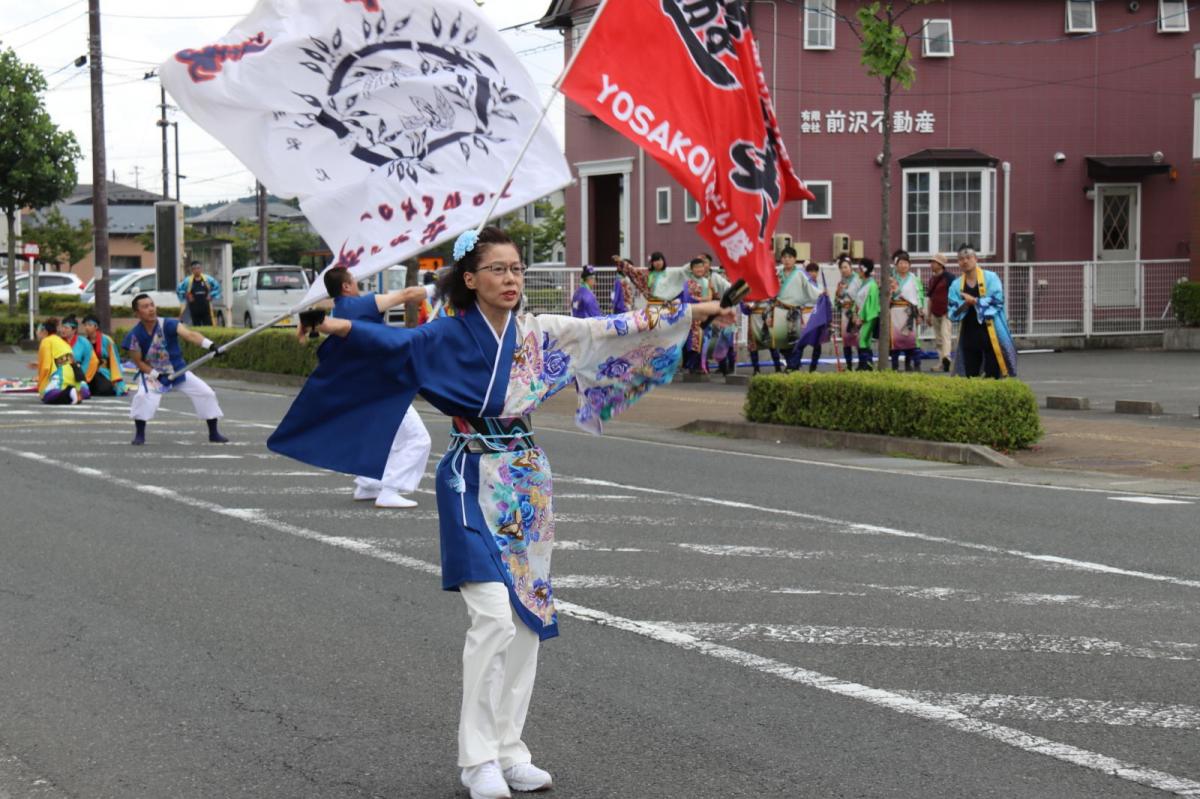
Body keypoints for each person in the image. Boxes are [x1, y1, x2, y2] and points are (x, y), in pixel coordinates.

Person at [269, 227, 733, 799]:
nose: (511, 279)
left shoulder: (540, 332)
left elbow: (613, 328)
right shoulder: (443, 335)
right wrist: (330, 322)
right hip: (471, 473)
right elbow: (391, 347)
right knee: (490, 614)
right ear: (470, 279)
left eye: (516, 269)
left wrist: (706, 308)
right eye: (498, 270)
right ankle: (477, 761)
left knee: (526, 620)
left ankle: (511, 749)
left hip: (527, 478)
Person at [323, 265, 435, 509]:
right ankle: (390, 489)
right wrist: (436, 288)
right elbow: (405, 295)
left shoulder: (340, 309)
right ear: (345, 286)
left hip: (361, 387)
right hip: (380, 388)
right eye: (353, 280)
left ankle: (368, 483)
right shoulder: (359, 305)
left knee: (386, 437)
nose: (357, 283)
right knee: (418, 439)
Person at [122, 293, 229, 446]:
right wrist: (156, 375)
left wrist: (211, 346)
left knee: (206, 393)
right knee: (142, 397)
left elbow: (190, 335)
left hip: (178, 371)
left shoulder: (169, 323)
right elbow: (139, 362)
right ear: (137, 314)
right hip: (152, 375)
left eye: (152, 305)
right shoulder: (134, 335)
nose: (151, 309)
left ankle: (213, 432)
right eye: (145, 307)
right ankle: (140, 434)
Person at [948, 245, 1017, 379]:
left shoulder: (991, 277)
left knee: (993, 373)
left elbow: (997, 300)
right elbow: (952, 310)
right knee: (970, 374)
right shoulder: (956, 285)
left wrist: (974, 301)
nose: (965, 261)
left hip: (991, 332)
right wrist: (965, 304)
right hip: (969, 332)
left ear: (976, 259)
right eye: (961, 259)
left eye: (968, 257)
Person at [769, 246, 822, 367]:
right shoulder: (776, 273)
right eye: (784, 257)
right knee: (782, 344)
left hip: (794, 313)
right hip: (779, 312)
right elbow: (770, 293)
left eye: (790, 257)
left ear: (795, 259)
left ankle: (792, 367)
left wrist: (821, 294)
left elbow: (811, 288)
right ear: (781, 259)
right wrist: (770, 313)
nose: (787, 260)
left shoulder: (800, 274)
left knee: (794, 343)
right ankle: (792, 365)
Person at [785, 261, 831, 372]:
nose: (813, 273)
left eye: (815, 271)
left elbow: (826, 304)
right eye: (810, 271)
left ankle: (813, 368)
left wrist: (827, 296)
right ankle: (794, 366)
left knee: (817, 345)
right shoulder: (803, 287)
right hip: (805, 315)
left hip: (817, 317)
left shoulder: (821, 287)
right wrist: (801, 319)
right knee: (801, 343)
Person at [32, 318, 86, 405]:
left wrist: (41, 386)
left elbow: (46, 366)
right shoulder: (60, 340)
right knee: (52, 394)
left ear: (44, 331)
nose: (36, 333)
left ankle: (70, 392)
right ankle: (73, 393)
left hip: (62, 373)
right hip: (72, 373)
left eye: (38, 330)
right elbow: (67, 359)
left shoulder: (46, 341)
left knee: (48, 396)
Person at [888, 250, 925, 372]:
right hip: (895, 312)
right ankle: (895, 366)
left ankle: (913, 364)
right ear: (896, 265)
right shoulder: (891, 279)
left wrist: (920, 312)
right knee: (896, 340)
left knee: (912, 340)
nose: (903, 265)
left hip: (910, 312)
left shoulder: (914, 279)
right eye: (901, 263)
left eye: (906, 263)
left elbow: (920, 296)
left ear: (909, 265)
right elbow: (885, 296)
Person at [616, 250, 689, 307]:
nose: (658, 263)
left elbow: (683, 271)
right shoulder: (647, 273)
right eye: (655, 261)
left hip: (667, 304)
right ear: (652, 263)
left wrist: (693, 264)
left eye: (660, 260)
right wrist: (621, 262)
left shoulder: (670, 272)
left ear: (663, 261)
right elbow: (633, 270)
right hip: (652, 304)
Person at [682, 257, 716, 373]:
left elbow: (710, 297)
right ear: (691, 269)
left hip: (705, 315)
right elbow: (687, 298)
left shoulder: (707, 282)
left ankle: (702, 365)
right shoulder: (688, 283)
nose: (699, 269)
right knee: (692, 342)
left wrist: (700, 299)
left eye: (701, 266)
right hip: (692, 316)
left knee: (704, 341)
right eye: (696, 267)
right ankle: (691, 366)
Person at [80, 315, 128, 396]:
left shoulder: (106, 340)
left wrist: (116, 378)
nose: (86, 328)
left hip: (102, 371)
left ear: (96, 327)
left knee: (105, 390)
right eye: (85, 325)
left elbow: (114, 359)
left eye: (89, 325)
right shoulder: (83, 341)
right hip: (88, 371)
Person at [833, 255, 862, 371]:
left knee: (859, 339)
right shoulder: (841, 282)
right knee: (847, 340)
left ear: (850, 267)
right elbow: (836, 301)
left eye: (846, 267)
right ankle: (849, 365)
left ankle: (862, 364)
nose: (844, 270)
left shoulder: (858, 279)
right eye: (842, 268)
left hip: (856, 312)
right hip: (845, 313)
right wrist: (839, 294)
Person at [926, 252, 954, 372]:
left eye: (933, 262)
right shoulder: (932, 279)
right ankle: (941, 361)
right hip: (935, 312)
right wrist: (928, 314)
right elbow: (930, 298)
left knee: (945, 335)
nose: (931, 265)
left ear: (940, 264)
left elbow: (955, 295)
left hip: (946, 313)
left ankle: (946, 358)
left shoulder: (950, 278)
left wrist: (951, 309)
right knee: (938, 339)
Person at [176, 261, 222, 326]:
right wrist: (187, 295)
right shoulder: (187, 281)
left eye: (198, 268)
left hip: (205, 308)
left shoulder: (208, 279)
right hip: (193, 309)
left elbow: (217, 287)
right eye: (194, 269)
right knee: (195, 328)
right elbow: (179, 289)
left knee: (208, 327)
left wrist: (211, 295)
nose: (197, 270)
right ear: (192, 270)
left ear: (201, 269)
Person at [854, 258, 880, 371]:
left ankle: (865, 364)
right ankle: (865, 364)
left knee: (863, 339)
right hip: (862, 315)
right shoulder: (865, 283)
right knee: (863, 340)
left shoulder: (871, 285)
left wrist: (862, 318)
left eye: (859, 268)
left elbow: (871, 304)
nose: (857, 271)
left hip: (868, 317)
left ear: (864, 270)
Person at [59, 316, 94, 397]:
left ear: (74, 330)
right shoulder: (57, 341)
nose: (63, 330)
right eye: (62, 327)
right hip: (61, 375)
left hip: (78, 374)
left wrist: (82, 375)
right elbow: (53, 362)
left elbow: (88, 361)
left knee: (84, 393)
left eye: (66, 328)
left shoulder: (84, 343)